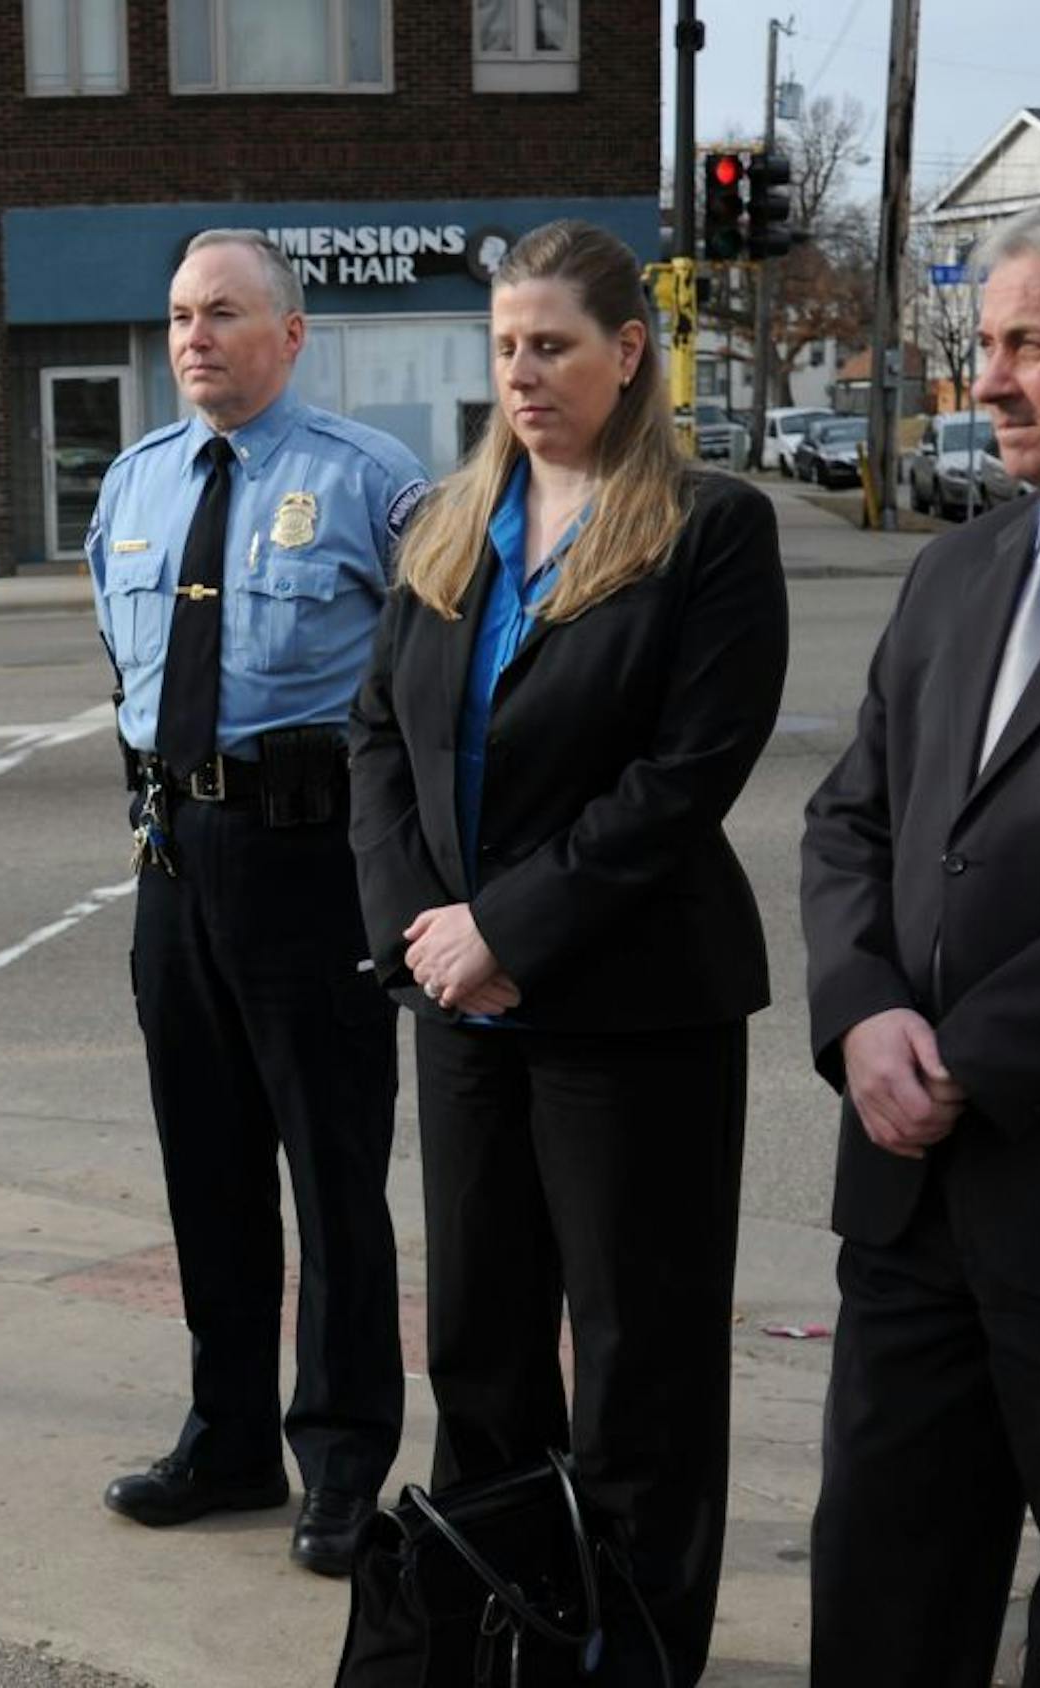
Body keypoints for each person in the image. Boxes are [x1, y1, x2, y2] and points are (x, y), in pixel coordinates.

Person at [348, 219, 787, 1683]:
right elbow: (377, 742)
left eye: (552, 346)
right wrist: (426, 937)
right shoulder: (451, 523)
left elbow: (683, 776)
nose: (523, 375)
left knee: (637, 1377)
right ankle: (506, 1639)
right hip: (461, 1012)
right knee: (477, 1354)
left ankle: (635, 1657)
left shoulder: (706, 529)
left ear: (629, 354)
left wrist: (511, 929)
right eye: (505, 349)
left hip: (630, 1018)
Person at [87, 228, 427, 1577]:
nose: (194, 337)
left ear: (292, 335)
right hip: (177, 860)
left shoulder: (370, 483)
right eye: (179, 314)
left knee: (333, 1179)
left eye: (224, 314)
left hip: (313, 867)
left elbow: (437, 690)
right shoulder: (133, 485)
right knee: (207, 1171)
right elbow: (119, 661)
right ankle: (227, 1436)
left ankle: (341, 1462)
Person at [801, 195, 1040, 1688]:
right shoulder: (956, 572)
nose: (983, 382)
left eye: (1025, 343)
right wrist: (861, 1016)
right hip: (910, 1203)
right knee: (885, 1590)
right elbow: (849, 820)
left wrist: (968, 1052)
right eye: (982, 344)